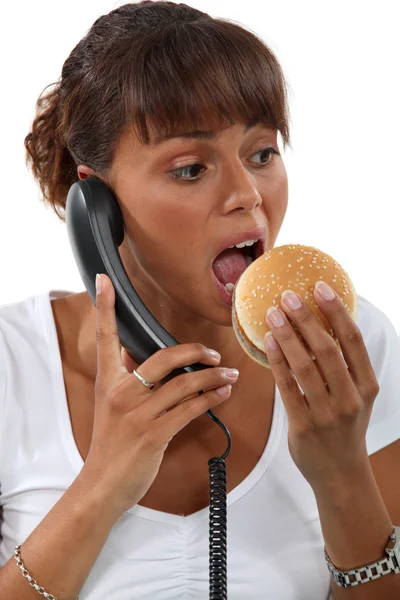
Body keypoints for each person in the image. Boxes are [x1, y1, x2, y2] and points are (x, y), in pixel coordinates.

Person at [0, 2, 399, 599]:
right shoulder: (12, 360)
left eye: (262, 153)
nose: (247, 195)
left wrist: (342, 473)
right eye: (191, 168)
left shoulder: (348, 344)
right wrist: (103, 482)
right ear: (96, 207)